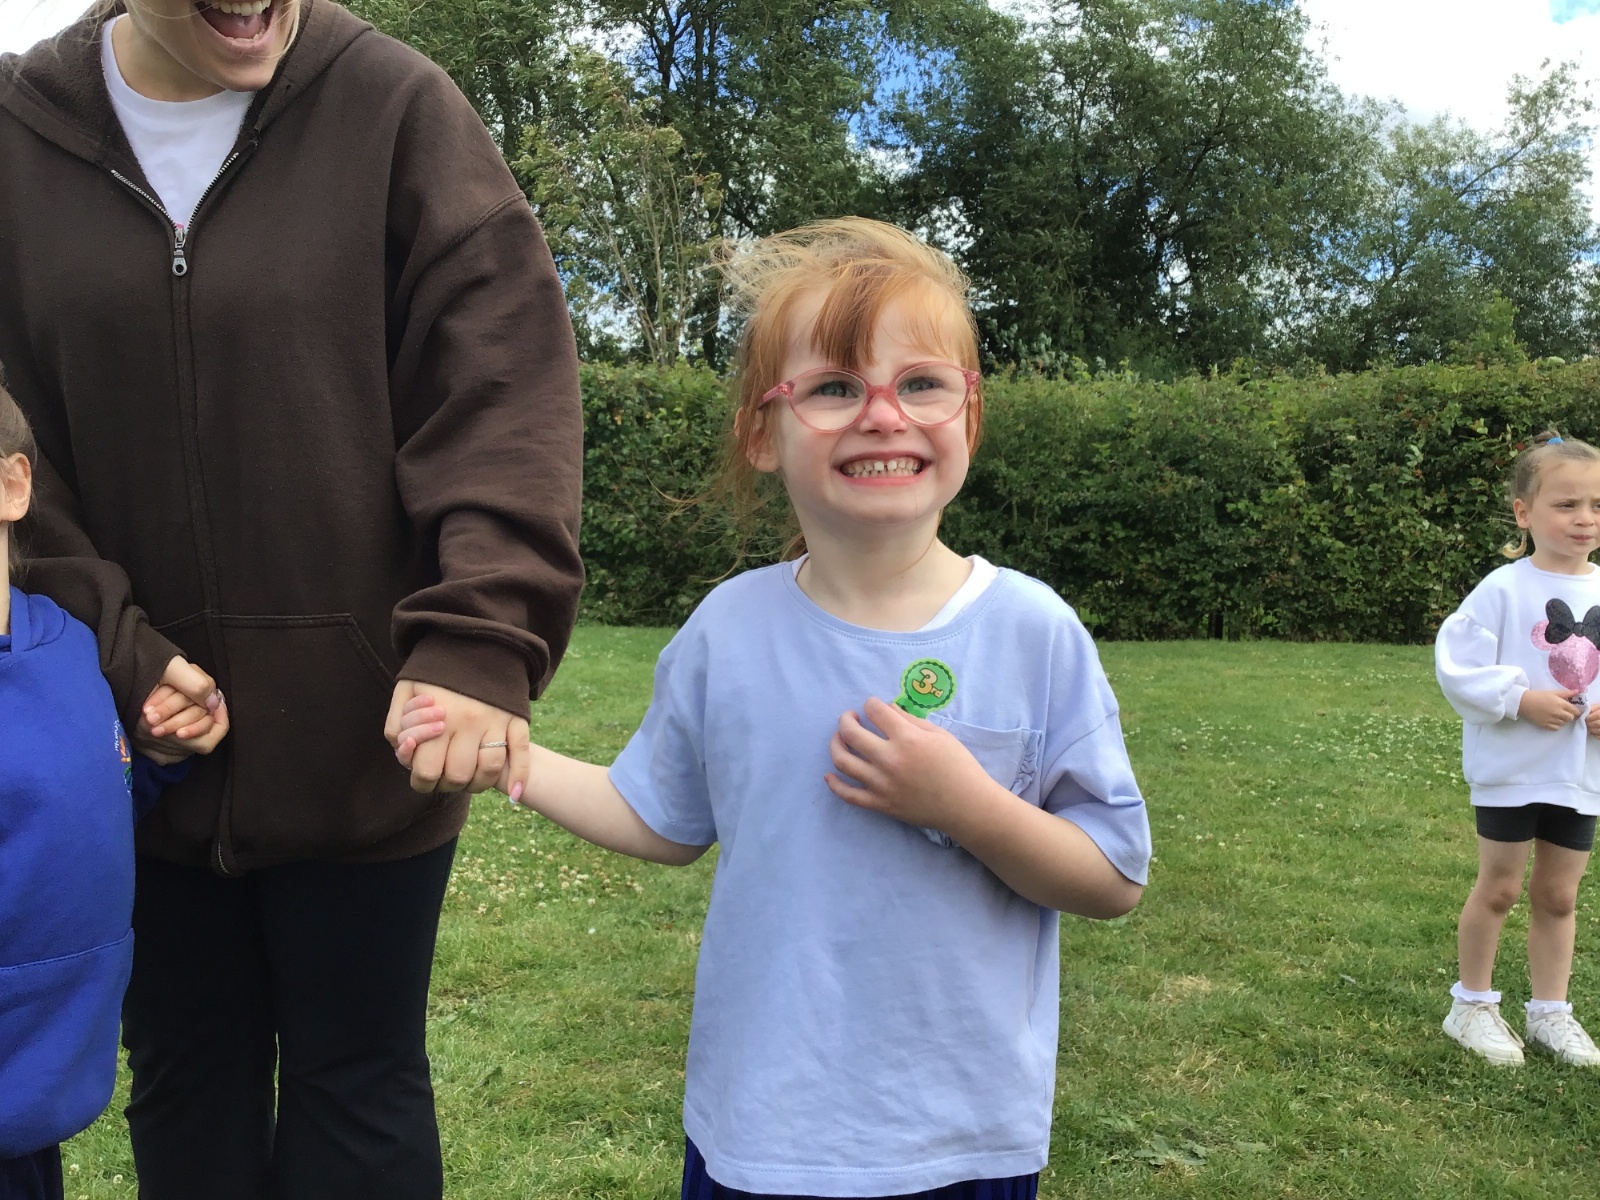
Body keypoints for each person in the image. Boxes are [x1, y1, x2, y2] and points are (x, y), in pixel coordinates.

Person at [401, 217, 1152, 1198]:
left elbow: (1112, 876)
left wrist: (964, 805)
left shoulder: (1031, 631)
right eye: (834, 387)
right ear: (763, 432)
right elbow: (659, 818)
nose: (882, 415)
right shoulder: (729, 630)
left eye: (921, 383)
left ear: (969, 417)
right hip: (762, 1129)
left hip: (961, 1142)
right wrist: (514, 760)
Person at [0, 0, 584, 1195]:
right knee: (186, 1081)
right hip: (140, 749)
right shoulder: (17, 139)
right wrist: (118, 650)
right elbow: (15, 456)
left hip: (372, 741)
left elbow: (501, 390)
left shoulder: (397, 108)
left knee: (359, 1084)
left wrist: (480, 635)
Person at [0, 383, 223, 1200]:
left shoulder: (73, 649)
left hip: (41, 1086)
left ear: (12, 486)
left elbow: (87, 803)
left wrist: (155, 752)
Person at [1435, 429, 1600, 1068]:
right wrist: (1520, 699)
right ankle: (1471, 1005)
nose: (1584, 518)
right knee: (1500, 887)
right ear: (1524, 513)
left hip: (1579, 776)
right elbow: (1458, 665)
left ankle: (1550, 1013)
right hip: (1512, 771)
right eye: (1567, 504)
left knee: (1559, 896)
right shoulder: (1502, 590)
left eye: (1597, 504)